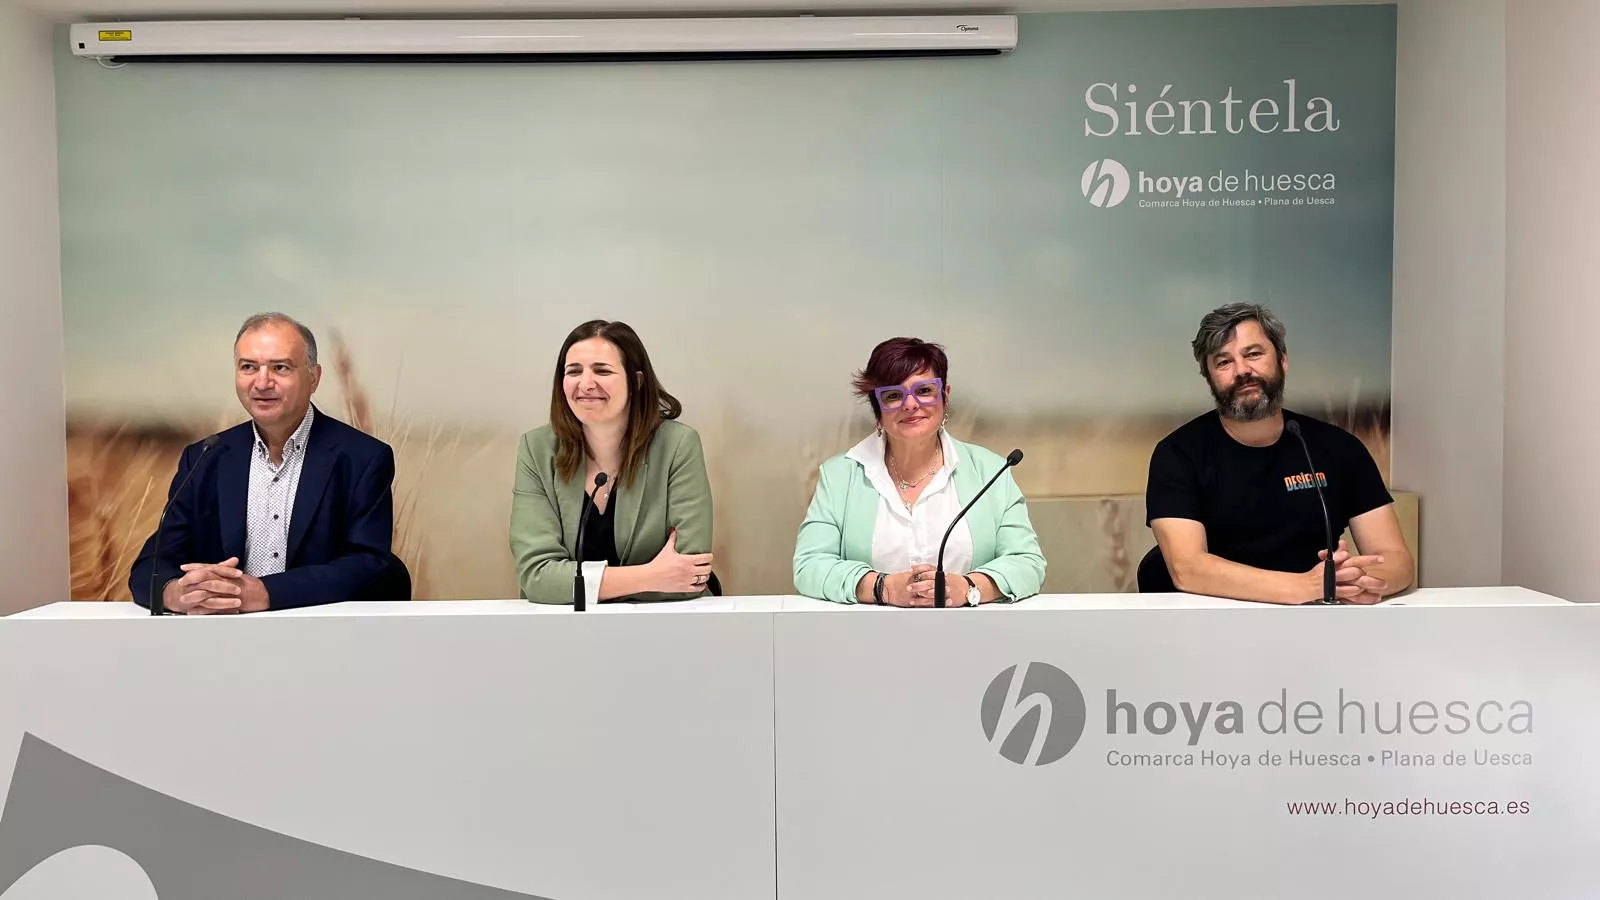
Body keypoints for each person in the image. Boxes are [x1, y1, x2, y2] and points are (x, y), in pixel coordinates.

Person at [129, 313, 405, 613]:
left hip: (321, 639)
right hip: (221, 641)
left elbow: (370, 568)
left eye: (280, 367)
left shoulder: (363, 458)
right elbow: (150, 566)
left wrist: (266, 593)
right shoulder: (205, 457)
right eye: (248, 367)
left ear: (313, 377)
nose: (262, 382)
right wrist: (176, 594)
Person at [1142, 303, 1414, 604]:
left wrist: (1361, 584)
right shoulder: (1178, 454)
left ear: (1282, 360)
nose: (1242, 370)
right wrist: (1304, 587)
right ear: (1209, 378)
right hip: (1210, 623)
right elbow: (1188, 569)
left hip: (1313, 618)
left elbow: (1396, 560)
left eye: (1253, 354)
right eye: (1223, 362)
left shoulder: (1339, 448)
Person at [793, 337, 1045, 606]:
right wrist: (883, 588)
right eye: (893, 395)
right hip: (864, 641)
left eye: (924, 390)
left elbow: (1027, 562)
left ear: (945, 396)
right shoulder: (839, 476)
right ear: (877, 410)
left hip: (975, 640)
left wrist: (969, 587)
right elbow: (809, 565)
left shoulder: (992, 471)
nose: (910, 404)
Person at [511, 319, 715, 604]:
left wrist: (575, 587)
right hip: (568, 633)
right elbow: (537, 578)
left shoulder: (678, 445)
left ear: (637, 381)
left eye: (602, 371)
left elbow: (688, 576)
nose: (586, 384)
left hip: (667, 627)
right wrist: (652, 576)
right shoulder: (536, 449)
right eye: (574, 371)